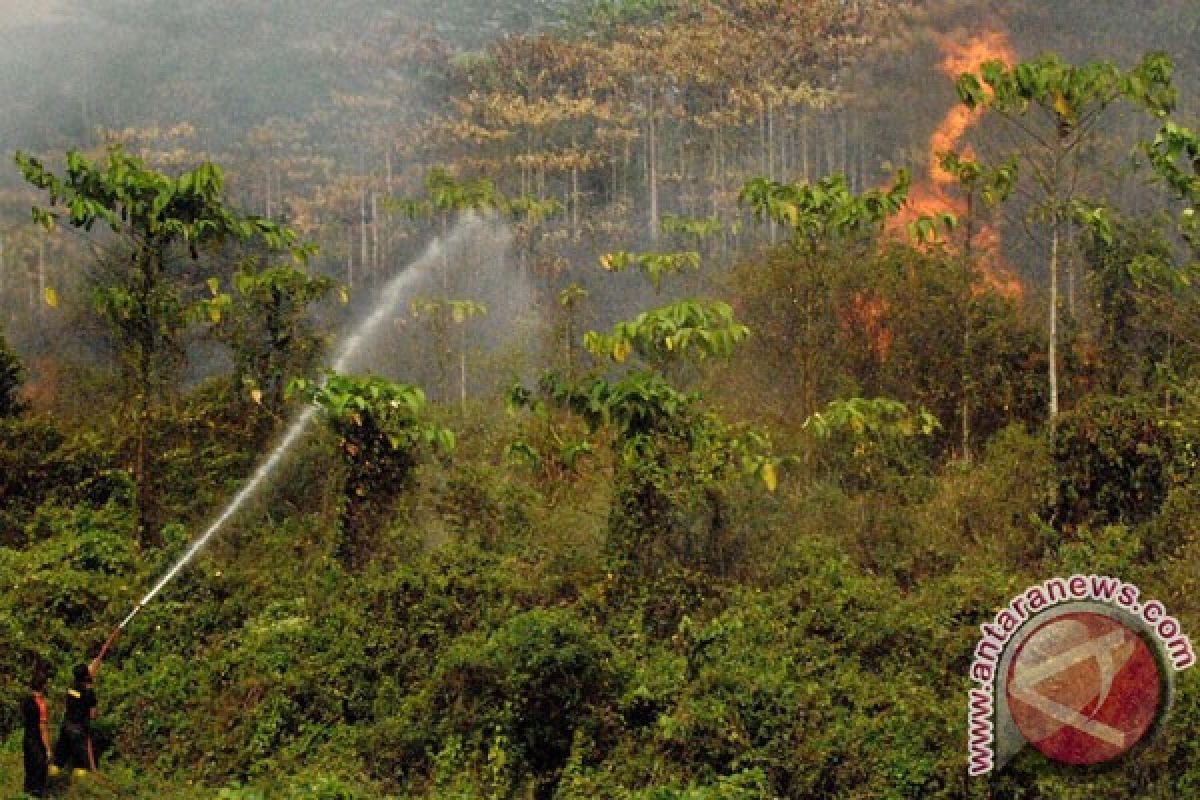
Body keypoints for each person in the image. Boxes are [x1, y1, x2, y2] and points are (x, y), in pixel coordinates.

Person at [52, 662, 99, 777]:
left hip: (66, 725)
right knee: (80, 762)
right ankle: (79, 785)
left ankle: (52, 774)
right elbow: (93, 715)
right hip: (79, 728)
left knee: (59, 756)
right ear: (86, 676)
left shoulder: (71, 688)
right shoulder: (88, 693)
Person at [20, 664, 51, 798]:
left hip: (27, 737)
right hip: (37, 739)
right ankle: (37, 793)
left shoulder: (26, 700)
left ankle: (27, 790)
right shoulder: (41, 704)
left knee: (29, 765)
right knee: (40, 766)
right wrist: (48, 748)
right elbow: (43, 728)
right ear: (43, 686)